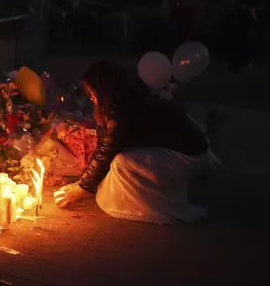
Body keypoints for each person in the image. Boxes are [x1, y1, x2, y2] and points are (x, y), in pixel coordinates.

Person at [54, 60, 217, 224]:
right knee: (119, 162)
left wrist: (80, 188)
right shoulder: (132, 99)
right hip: (190, 150)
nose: (91, 98)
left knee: (122, 162)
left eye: (92, 92)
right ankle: (164, 191)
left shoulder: (122, 111)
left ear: (104, 90)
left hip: (188, 157)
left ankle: (156, 206)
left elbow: (106, 152)